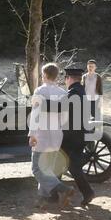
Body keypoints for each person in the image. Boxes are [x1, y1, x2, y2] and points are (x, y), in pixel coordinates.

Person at [28, 63, 75, 209]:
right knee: (47, 168)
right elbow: (65, 117)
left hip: (41, 134)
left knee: (36, 168)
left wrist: (32, 134)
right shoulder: (63, 93)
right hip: (56, 134)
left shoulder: (39, 91)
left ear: (44, 75)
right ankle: (42, 200)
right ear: (56, 76)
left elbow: (35, 114)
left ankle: (63, 188)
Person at [61, 68, 95, 207]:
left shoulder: (73, 92)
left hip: (74, 136)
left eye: (65, 79)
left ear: (68, 78)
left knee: (66, 163)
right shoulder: (84, 91)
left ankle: (54, 195)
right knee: (73, 166)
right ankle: (87, 193)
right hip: (83, 133)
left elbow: (61, 108)